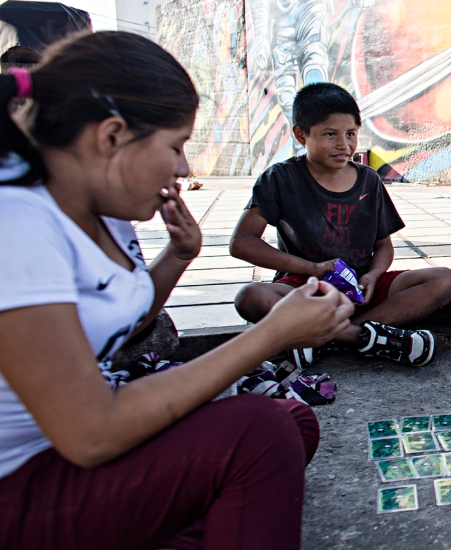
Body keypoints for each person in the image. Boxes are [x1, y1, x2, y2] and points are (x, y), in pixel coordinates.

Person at [0, 32, 354, 549]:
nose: (185, 168)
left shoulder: (93, 204)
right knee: (258, 436)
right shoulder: (18, 223)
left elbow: (125, 321)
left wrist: (179, 254)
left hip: (66, 454)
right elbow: (91, 433)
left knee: (292, 421)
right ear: (111, 137)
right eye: (175, 146)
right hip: (24, 484)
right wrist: (272, 334)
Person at [231, 82, 451, 368]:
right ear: (301, 135)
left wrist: (374, 276)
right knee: (250, 297)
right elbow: (241, 243)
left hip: (362, 290)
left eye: (350, 134)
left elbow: (383, 246)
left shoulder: (369, 180)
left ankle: (333, 336)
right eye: (330, 134)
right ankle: (367, 338)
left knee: (444, 280)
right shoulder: (280, 178)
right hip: (306, 289)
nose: (343, 144)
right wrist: (312, 269)